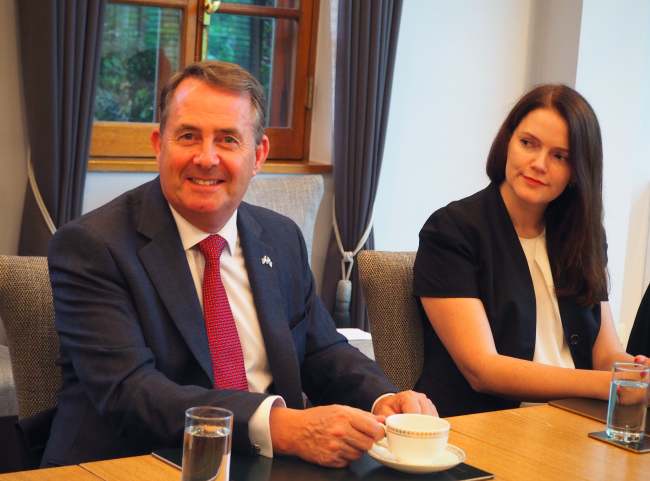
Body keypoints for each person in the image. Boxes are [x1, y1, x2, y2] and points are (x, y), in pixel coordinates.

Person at [42, 60, 436, 468]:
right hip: (134, 463)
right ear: (160, 144)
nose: (206, 158)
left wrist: (384, 398)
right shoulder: (93, 245)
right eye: (189, 136)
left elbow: (322, 350)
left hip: (267, 463)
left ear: (258, 154)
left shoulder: (280, 237)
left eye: (228, 139)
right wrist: (283, 426)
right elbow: (130, 392)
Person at [412, 84, 650, 418]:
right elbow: (483, 370)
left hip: (574, 422)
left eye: (560, 156)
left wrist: (639, 375)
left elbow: (606, 354)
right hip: (481, 426)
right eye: (528, 143)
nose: (539, 164)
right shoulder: (452, 229)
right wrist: (609, 385)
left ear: (577, 172)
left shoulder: (585, 236)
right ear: (507, 142)